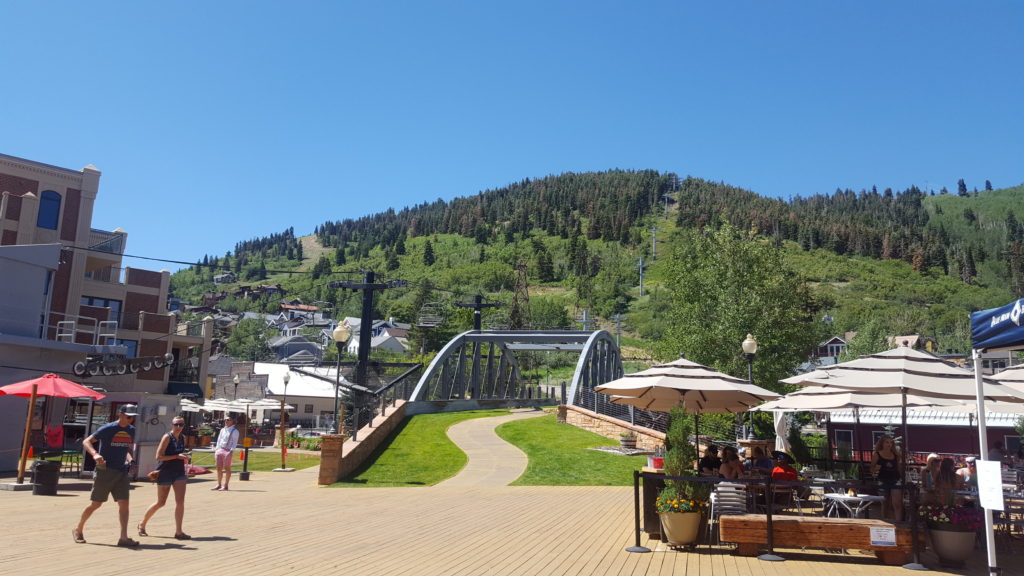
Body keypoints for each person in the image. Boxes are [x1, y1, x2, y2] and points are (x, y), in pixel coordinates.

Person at [73, 404, 139, 547]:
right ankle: (78, 529)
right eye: (128, 417)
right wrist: (95, 454)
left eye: (133, 418)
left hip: (121, 471)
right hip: (105, 471)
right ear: (120, 415)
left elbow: (125, 448)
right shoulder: (108, 428)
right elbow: (87, 441)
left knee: (124, 504)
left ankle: (123, 538)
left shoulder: (131, 431)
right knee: (96, 504)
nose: (131, 420)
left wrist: (131, 460)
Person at [138, 416, 192, 540]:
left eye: (181, 424)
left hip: (178, 472)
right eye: (176, 424)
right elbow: (159, 457)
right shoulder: (167, 437)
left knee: (180, 502)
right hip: (165, 471)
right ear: (171, 425)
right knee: (161, 502)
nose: (178, 427)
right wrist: (176, 456)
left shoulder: (183, 438)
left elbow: (180, 454)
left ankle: (179, 531)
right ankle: (142, 524)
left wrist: (185, 456)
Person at [870, 434, 904, 521]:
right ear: (882, 443)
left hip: (895, 479)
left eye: (891, 443)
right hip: (883, 480)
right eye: (887, 442)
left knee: (897, 504)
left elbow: (899, 468)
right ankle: (884, 521)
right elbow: (871, 469)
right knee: (885, 504)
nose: (889, 444)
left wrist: (902, 479)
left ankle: (898, 523)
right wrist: (875, 468)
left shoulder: (895, 455)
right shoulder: (877, 454)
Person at [212, 415, 239, 491]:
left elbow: (234, 442)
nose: (226, 421)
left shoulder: (235, 431)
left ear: (232, 421)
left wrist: (231, 451)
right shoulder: (222, 430)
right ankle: (219, 484)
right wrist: (217, 449)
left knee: (227, 468)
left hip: (228, 450)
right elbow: (219, 439)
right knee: (218, 467)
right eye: (226, 420)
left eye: (228, 420)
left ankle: (226, 485)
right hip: (220, 449)